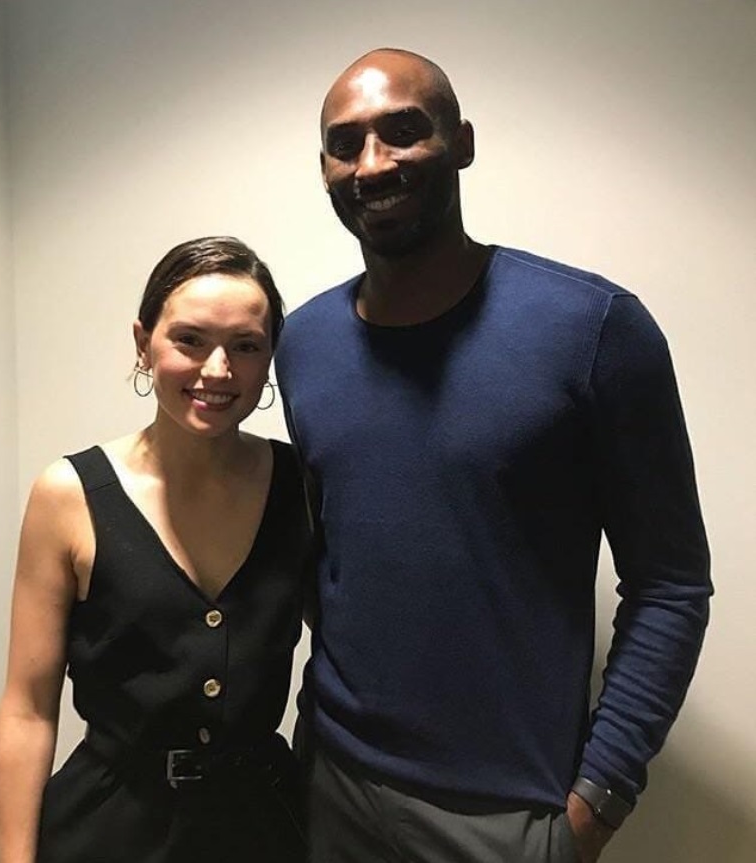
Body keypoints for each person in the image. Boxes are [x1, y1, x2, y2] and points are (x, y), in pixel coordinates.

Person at [275, 48, 712, 863]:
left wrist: (595, 804)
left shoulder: (594, 330)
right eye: (345, 143)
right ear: (325, 169)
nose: (371, 163)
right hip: (328, 781)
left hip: (507, 817)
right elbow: (334, 552)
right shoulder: (301, 342)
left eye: (402, 132)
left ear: (462, 143)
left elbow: (671, 584)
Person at [0, 236, 310, 863]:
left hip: (263, 826)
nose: (217, 371)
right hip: (107, 828)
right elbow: (28, 709)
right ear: (144, 343)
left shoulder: (301, 484)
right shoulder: (69, 495)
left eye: (246, 347)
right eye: (189, 339)